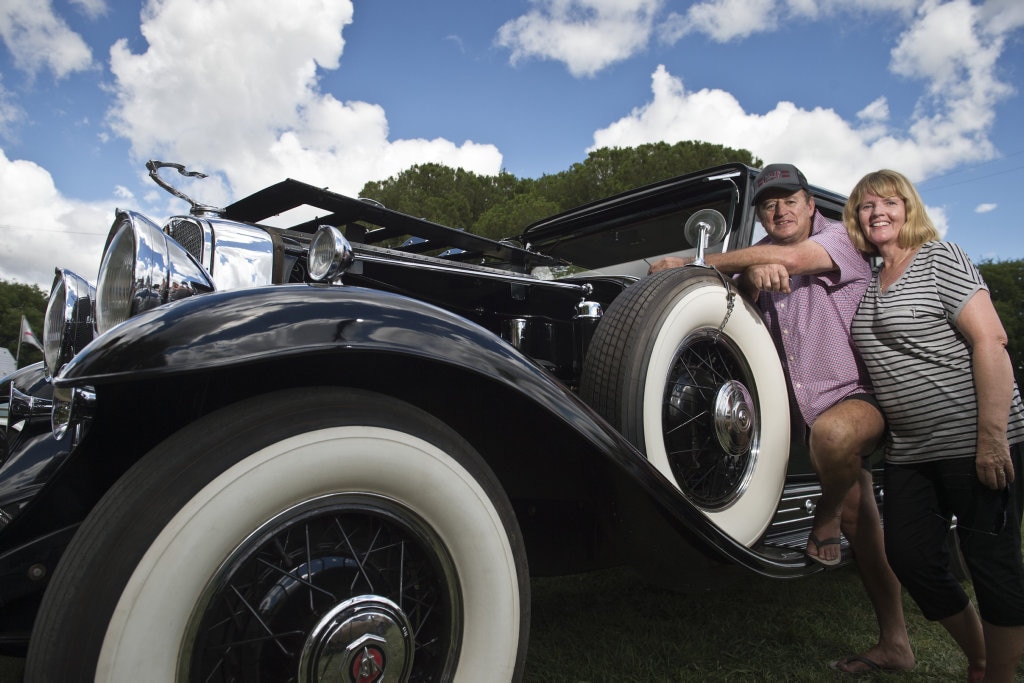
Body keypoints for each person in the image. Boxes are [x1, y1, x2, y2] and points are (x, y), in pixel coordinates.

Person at [650, 163, 913, 673]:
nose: (780, 209)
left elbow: (792, 257)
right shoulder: (762, 260)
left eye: (790, 199)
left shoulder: (842, 239)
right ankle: (896, 642)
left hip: (852, 395)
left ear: (810, 204)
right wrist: (749, 277)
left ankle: (824, 515)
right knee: (863, 517)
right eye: (769, 203)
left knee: (836, 441)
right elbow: (740, 314)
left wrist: (695, 261)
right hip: (789, 411)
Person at [846, 169, 1024, 682]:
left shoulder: (941, 258)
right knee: (910, 556)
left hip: (976, 440)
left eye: (890, 202)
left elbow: (991, 341)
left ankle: (999, 675)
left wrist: (990, 439)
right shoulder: (866, 279)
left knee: (991, 564)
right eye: (865, 205)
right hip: (911, 451)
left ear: (909, 209)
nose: (878, 211)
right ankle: (981, 657)